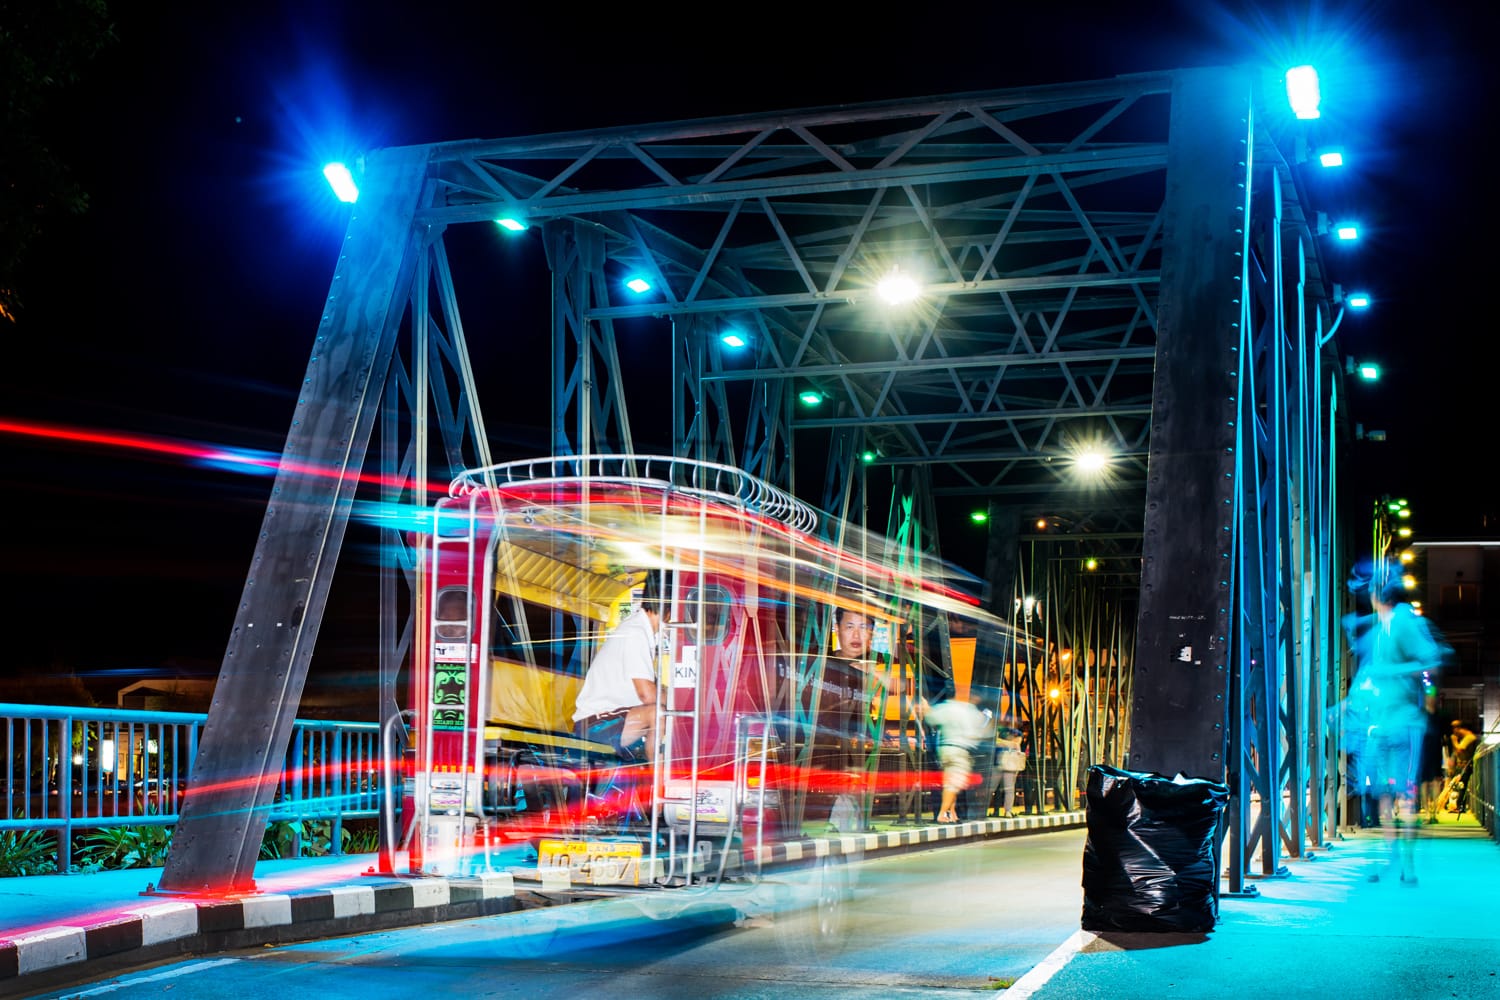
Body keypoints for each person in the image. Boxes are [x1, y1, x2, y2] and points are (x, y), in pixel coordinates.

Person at [1341, 562, 1450, 885]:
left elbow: (1431, 659)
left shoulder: (1402, 623)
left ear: (1376, 594)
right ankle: (1391, 859)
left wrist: (1391, 674)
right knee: (1385, 794)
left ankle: (1406, 863)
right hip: (1382, 723)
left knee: (1403, 793)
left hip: (1403, 723)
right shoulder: (1382, 628)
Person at [572, 594, 663, 762]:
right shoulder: (635, 632)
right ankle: (661, 784)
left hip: (611, 720)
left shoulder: (640, 630)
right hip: (594, 725)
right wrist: (680, 701)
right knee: (659, 714)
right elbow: (648, 695)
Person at [919, 688, 993, 824]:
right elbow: (982, 733)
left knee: (952, 782)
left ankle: (952, 813)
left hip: (945, 749)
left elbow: (930, 718)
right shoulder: (971, 712)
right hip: (959, 751)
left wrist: (925, 706)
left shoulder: (948, 707)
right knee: (953, 784)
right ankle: (942, 814)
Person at [1440, 719, 1478, 814]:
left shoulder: (1469, 737)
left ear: (1458, 728)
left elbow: (1460, 750)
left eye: (1454, 730)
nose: (1454, 733)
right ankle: (1458, 805)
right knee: (1461, 786)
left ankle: (1459, 806)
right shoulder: (1466, 737)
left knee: (1462, 786)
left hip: (1467, 766)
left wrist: (1454, 741)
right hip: (1463, 766)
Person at [994, 724, 1025, 818]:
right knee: (1009, 789)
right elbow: (1016, 744)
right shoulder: (1012, 732)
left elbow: (996, 742)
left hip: (1001, 762)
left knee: (998, 788)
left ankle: (1008, 810)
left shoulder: (999, 729)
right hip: (1007, 763)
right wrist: (1011, 744)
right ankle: (1008, 811)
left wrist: (1003, 742)